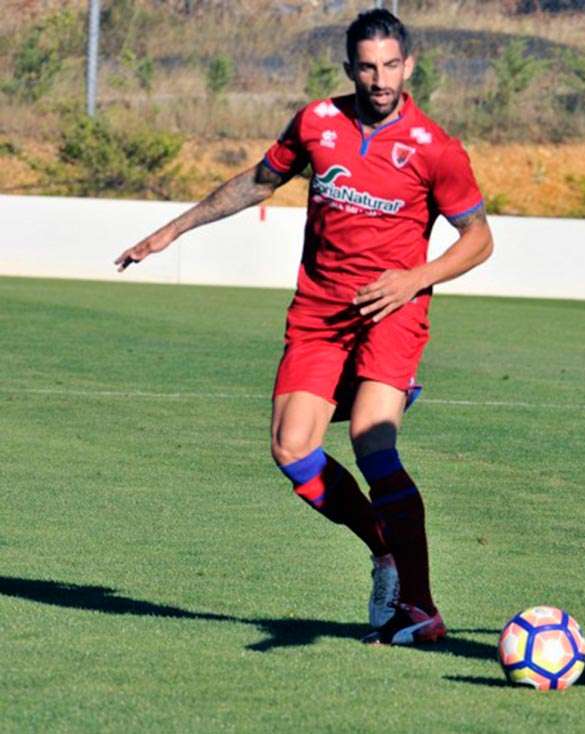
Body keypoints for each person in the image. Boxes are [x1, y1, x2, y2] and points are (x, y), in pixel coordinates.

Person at [115, 9, 492, 646]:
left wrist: (413, 278)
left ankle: (421, 608)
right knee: (293, 450)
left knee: (376, 447)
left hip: (391, 313)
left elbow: (478, 240)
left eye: (391, 65)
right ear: (350, 68)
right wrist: (174, 228)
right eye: (367, 67)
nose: (379, 79)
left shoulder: (436, 148)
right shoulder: (317, 123)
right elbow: (259, 182)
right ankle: (385, 552)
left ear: (410, 66)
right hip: (319, 312)